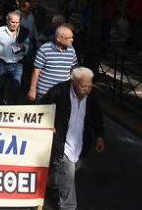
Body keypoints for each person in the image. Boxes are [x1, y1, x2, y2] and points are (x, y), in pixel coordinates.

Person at [39, 67, 105, 210]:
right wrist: (49, 124)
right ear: (73, 82)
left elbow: (97, 117)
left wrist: (99, 135)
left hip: (81, 145)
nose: (87, 89)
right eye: (84, 86)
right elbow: (42, 105)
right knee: (68, 176)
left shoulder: (92, 96)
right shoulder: (60, 91)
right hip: (63, 143)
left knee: (67, 172)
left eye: (89, 85)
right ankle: (67, 206)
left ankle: (51, 182)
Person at [0, 11, 31, 104]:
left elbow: (27, 46)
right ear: (7, 21)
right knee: (1, 85)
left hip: (18, 64)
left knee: (16, 86)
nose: (15, 25)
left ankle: (12, 105)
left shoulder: (23, 31)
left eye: (17, 22)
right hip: (2, 63)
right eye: (13, 22)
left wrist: (24, 47)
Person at [28, 25, 78, 102]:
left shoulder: (71, 50)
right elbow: (36, 70)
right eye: (69, 38)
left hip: (63, 93)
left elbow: (74, 70)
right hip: (44, 92)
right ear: (58, 39)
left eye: (72, 37)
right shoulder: (44, 49)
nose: (72, 40)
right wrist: (32, 89)